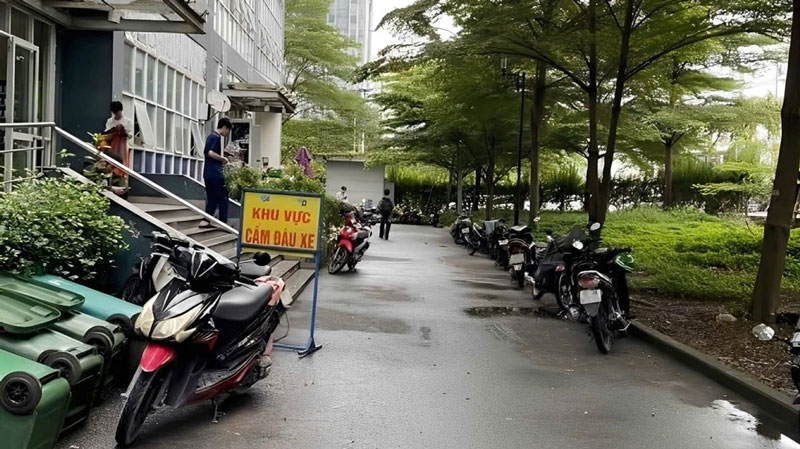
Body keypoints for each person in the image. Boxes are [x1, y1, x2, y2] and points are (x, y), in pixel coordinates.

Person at [199, 118, 232, 228]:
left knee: (219, 196)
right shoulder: (214, 137)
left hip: (212, 173)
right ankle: (211, 220)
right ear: (224, 127)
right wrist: (223, 159)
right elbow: (210, 152)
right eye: (228, 130)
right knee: (217, 196)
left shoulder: (215, 137)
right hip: (214, 173)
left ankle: (218, 220)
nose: (227, 133)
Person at [103, 101, 133, 193]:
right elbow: (106, 133)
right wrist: (113, 131)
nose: (116, 114)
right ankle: (112, 185)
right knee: (112, 163)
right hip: (112, 145)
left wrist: (124, 131)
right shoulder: (110, 121)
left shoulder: (127, 121)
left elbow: (130, 135)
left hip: (123, 145)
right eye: (115, 112)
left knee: (122, 164)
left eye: (118, 112)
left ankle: (122, 186)